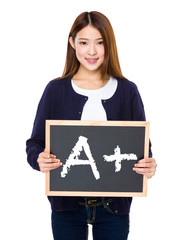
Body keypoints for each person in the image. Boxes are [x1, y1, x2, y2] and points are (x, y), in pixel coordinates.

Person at [26, 11, 157, 240]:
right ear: (72, 43)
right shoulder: (55, 90)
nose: (92, 51)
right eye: (84, 42)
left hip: (113, 208)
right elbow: (35, 144)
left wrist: (148, 166)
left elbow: (141, 148)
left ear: (109, 45)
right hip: (66, 208)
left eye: (100, 42)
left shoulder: (128, 91)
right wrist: (39, 158)